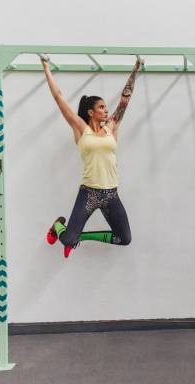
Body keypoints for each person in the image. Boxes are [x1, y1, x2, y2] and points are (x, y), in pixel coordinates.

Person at [40, 53, 143, 258]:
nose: (106, 110)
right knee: (68, 239)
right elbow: (58, 97)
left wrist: (135, 69)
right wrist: (46, 67)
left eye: (106, 107)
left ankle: (80, 237)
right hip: (89, 193)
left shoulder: (112, 126)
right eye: (102, 107)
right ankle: (58, 228)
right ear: (90, 112)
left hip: (111, 194)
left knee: (124, 238)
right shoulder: (80, 129)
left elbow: (125, 98)